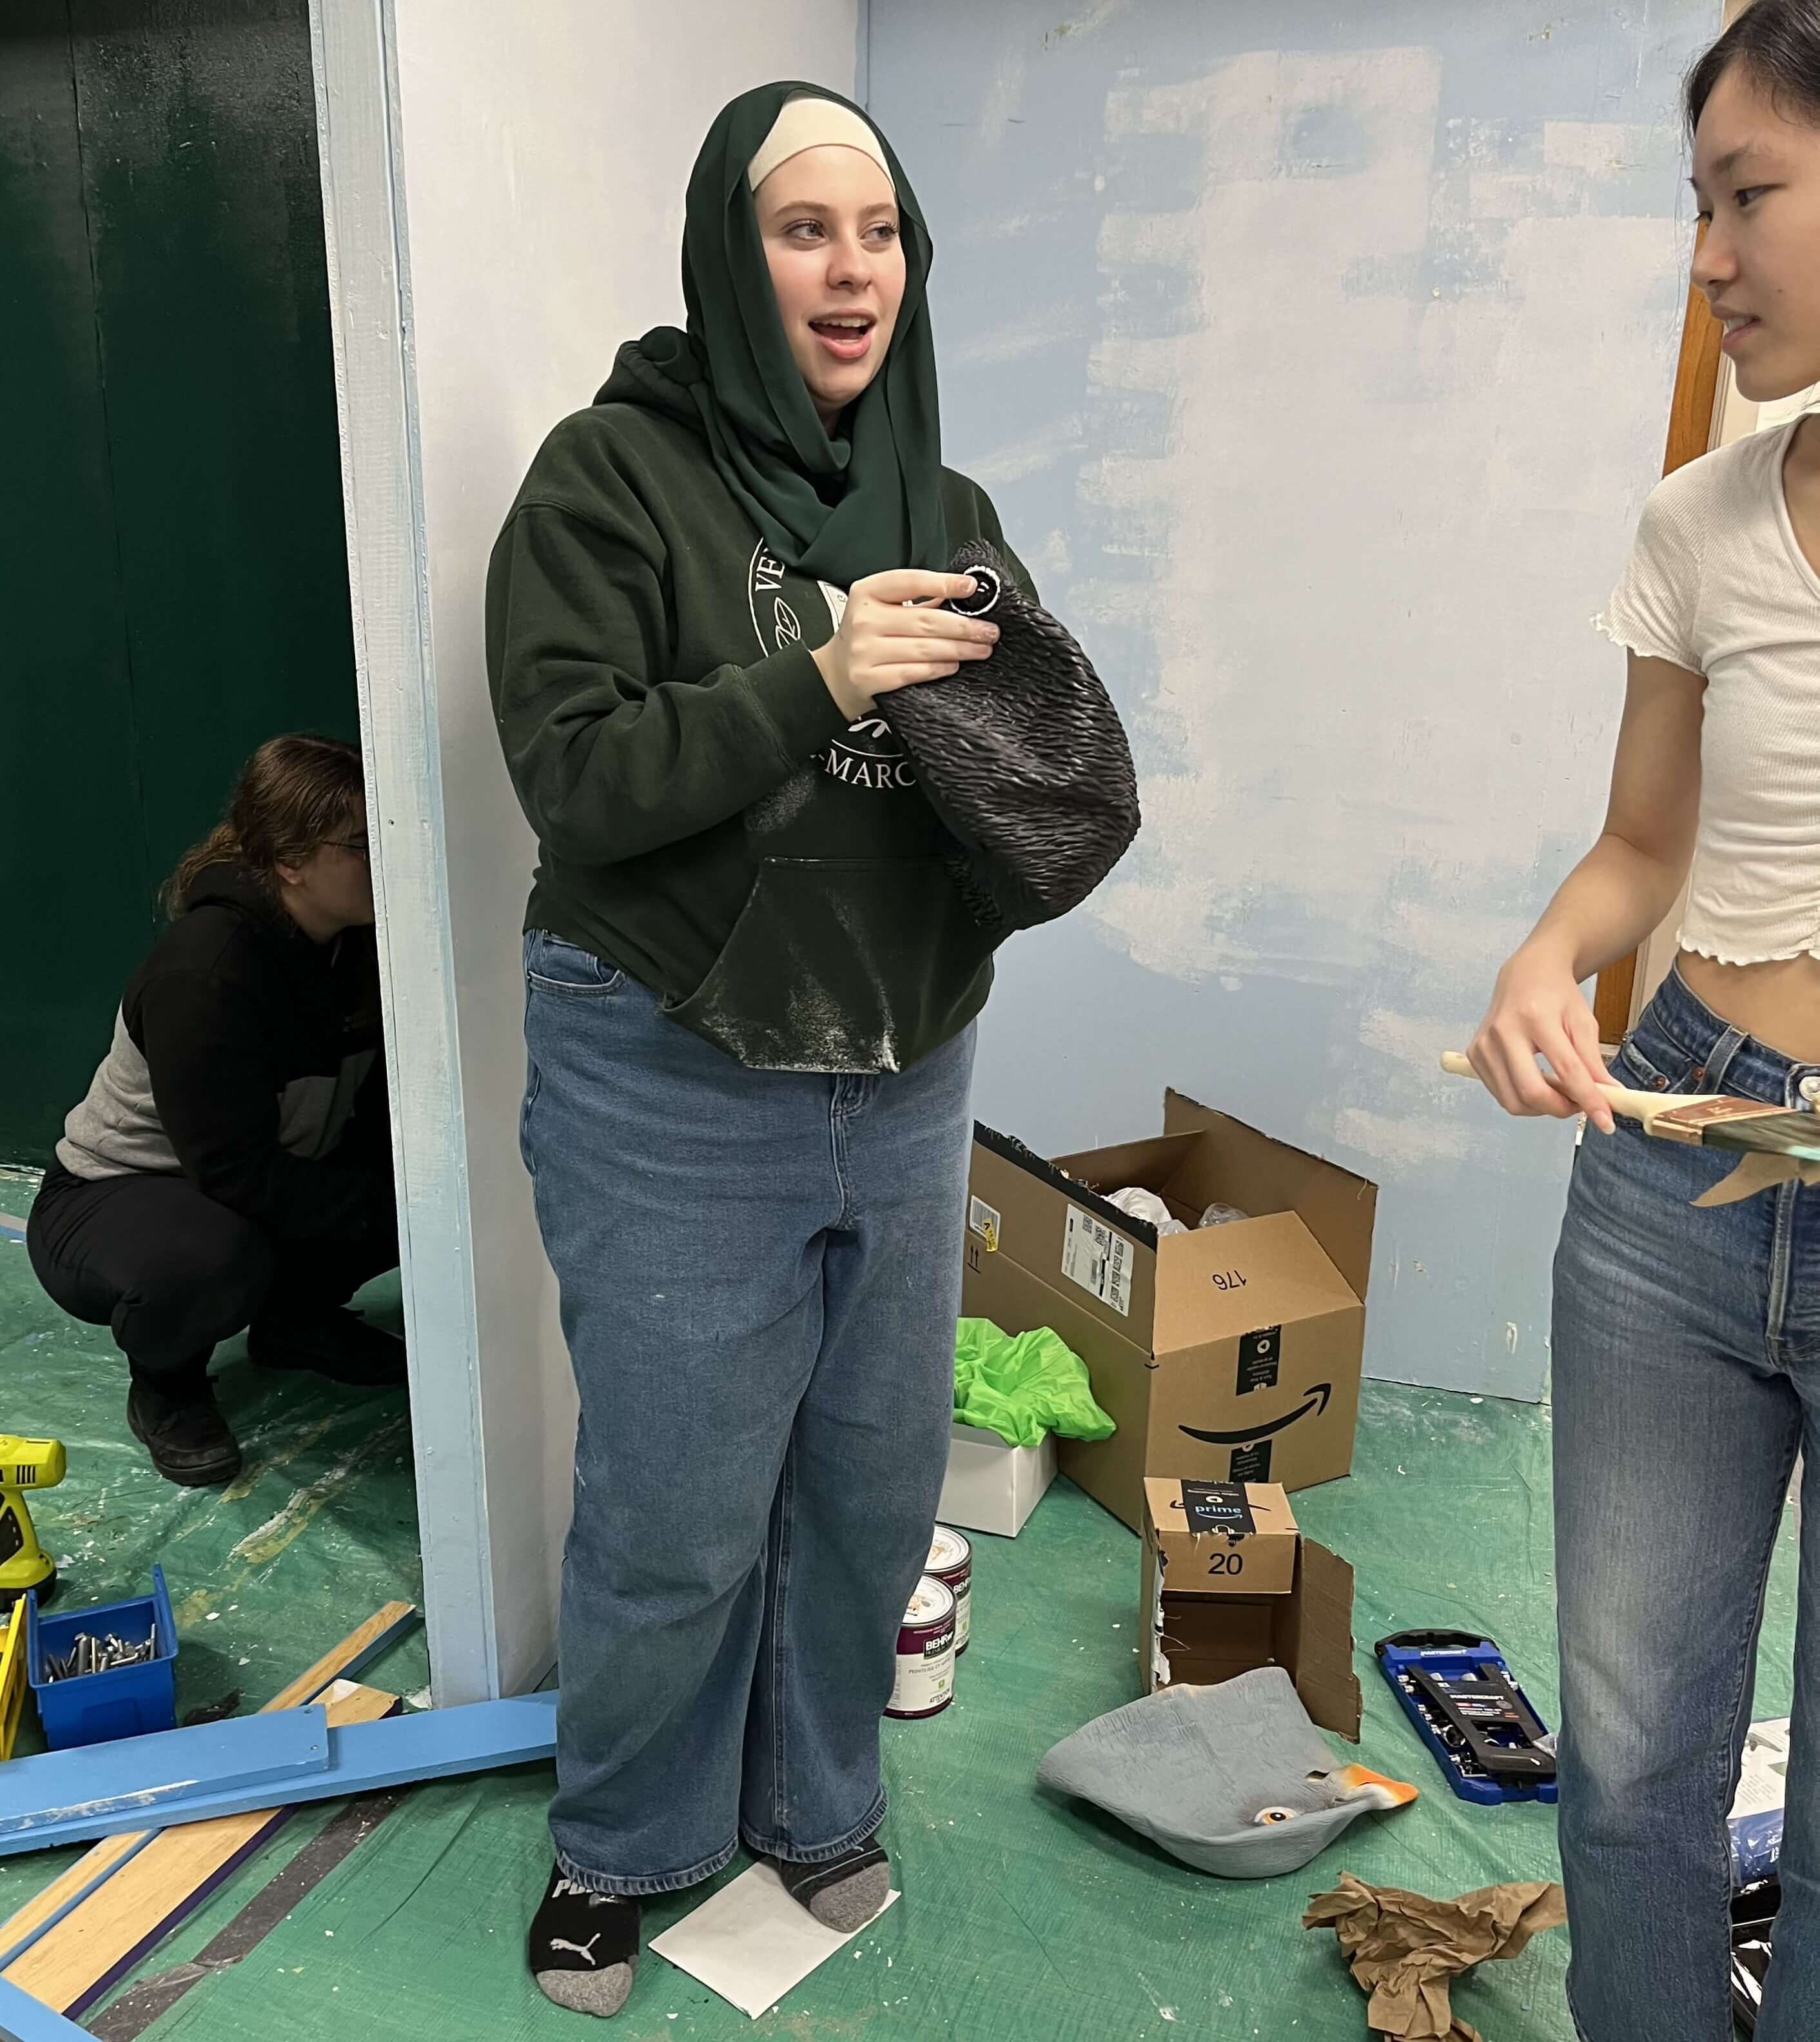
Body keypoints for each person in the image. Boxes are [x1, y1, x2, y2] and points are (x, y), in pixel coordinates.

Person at [487, 83, 1034, 2020]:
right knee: (675, 1494)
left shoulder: (944, 507)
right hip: (668, 1049)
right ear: (734, 249)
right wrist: (811, 677)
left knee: (877, 1475)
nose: (849, 269)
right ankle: (619, 1837)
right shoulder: (604, 480)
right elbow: (573, 776)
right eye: (804, 230)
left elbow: (984, 800)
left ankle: (815, 1792)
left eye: (876, 232)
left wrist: (1049, 781)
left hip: (898, 1057)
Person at [1463, 6, 1820, 2035]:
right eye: (1696, 202)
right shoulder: (1694, 524)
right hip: (1676, 1143)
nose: (1703, 254)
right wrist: (1539, 961)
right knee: (1624, 1751)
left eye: (1745, 194)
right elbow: (1630, 845)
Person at [28, 734, 403, 1490]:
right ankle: (166, 1383)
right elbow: (235, 1172)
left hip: (248, 1182)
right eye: (362, 844)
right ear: (290, 862)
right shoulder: (207, 971)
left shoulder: (361, 943)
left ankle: (294, 1322)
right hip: (110, 1199)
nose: (386, 857)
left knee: (430, 1188)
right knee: (216, 1258)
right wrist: (381, 1207)